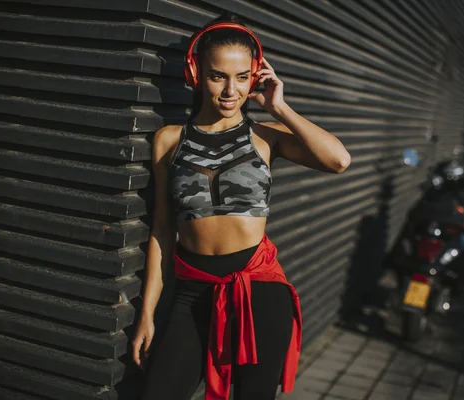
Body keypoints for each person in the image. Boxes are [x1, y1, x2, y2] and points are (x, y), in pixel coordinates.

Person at [131, 12, 351, 400]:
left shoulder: (267, 136)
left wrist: (279, 108)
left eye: (242, 77)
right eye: (218, 76)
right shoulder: (168, 140)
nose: (231, 89)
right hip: (192, 294)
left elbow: (338, 161)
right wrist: (147, 313)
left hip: (260, 294)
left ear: (255, 78)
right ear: (196, 75)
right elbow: (163, 232)